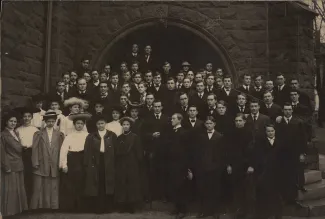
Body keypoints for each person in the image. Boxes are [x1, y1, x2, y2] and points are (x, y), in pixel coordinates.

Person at [30, 110, 65, 210]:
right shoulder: (38, 134)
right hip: (42, 162)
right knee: (41, 185)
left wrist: (61, 163)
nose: (50, 123)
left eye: (52, 121)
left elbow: (62, 150)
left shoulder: (60, 134)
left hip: (54, 162)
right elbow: (35, 149)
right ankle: (41, 206)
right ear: (45, 121)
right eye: (48, 121)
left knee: (53, 184)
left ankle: (53, 206)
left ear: (55, 122)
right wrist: (35, 162)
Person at [83, 114, 117, 213]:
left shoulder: (112, 135)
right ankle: (98, 208)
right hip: (96, 162)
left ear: (105, 124)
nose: (100, 125)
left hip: (109, 161)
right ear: (96, 125)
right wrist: (87, 164)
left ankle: (108, 207)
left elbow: (116, 150)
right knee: (97, 184)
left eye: (102, 123)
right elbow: (87, 151)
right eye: (98, 124)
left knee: (108, 183)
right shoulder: (91, 136)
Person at [192, 116, 224, 219]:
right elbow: (197, 152)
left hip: (215, 168)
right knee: (202, 189)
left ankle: (215, 211)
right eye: (207, 124)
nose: (209, 125)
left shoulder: (219, 136)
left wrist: (217, 166)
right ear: (205, 125)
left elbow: (221, 154)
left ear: (214, 124)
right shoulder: (200, 136)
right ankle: (203, 211)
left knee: (214, 189)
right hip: (202, 167)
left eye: (210, 123)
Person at [276, 103, 308, 203]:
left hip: (295, 153)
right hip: (282, 154)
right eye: (285, 109)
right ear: (283, 111)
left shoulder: (298, 122)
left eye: (289, 109)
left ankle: (295, 198)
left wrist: (303, 153)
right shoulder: (279, 123)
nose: (287, 111)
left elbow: (303, 139)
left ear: (292, 110)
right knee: (284, 175)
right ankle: (285, 197)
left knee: (295, 175)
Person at [59, 112, 91, 211]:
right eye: (78, 123)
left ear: (84, 125)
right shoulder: (69, 136)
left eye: (81, 123)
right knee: (71, 184)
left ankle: (82, 207)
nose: (79, 125)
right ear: (74, 124)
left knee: (83, 182)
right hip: (72, 160)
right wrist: (64, 164)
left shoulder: (88, 136)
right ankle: (71, 207)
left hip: (84, 160)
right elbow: (64, 150)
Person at [225, 114, 254, 219]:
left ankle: (246, 210)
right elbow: (227, 150)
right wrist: (228, 165)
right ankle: (239, 209)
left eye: (240, 120)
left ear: (244, 121)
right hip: (234, 164)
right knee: (236, 188)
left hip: (245, 165)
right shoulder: (231, 133)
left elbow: (252, 151)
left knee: (246, 188)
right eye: (236, 121)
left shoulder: (249, 133)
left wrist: (251, 165)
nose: (238, 122)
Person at [1, 111, 28, 216]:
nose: (13, 123)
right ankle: (9, 211)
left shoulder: (15, 133)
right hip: (10, 165)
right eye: (11, 121)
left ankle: (17, 210)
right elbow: (2, 152)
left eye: (15, 121)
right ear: (6, 122)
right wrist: (6, 166)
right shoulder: (3, 135)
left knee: (18, 187)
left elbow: (17, 147)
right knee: (10, 189)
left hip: (18, 163)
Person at [165, 113, 192, 219]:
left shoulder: (184, 133)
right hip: (172, 164)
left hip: (181, 165)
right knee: (174, 186)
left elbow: (187, 151)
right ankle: (177, 207)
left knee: (181, 187)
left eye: (173, 118)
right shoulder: (171, 132)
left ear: (179, 120)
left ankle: (182, 210)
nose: (171, 120)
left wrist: (187, 167)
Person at [115, 117, 144, 213]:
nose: (126, 126)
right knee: (122, 183)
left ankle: (131, 206)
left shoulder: (135, 137)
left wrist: (138, 163)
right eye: (124, 124)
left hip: (132, 163)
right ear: (122, 126)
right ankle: (123, 205)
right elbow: (116, 152)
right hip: (122, 163)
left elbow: (139, 152)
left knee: (131, 184)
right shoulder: (119, 138)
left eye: (127, 124)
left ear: (130, 126)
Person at [255, 124, 283, 219]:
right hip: (265, 172)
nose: (270, 133)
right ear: (265, 132)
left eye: (272, 131)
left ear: (275, 131)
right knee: (265, 194)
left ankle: (278, 214)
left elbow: (285, 158)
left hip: (278, 172)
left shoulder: (280, 142)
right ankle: (265, 214)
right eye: (268, 131)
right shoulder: (260, 143)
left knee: (277, 194)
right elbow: (258, 157)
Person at [15, 107, 39, 202]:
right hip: (21, 154)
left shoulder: (35, 130)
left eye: (29, 116)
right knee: (22, 177)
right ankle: (22, 201)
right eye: (25, 116)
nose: (27, 118)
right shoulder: (18, 130)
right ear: (22, 118)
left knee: (31, 177)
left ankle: (30, 200)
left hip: (32, 153)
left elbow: (38, 144)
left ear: (32, 118)